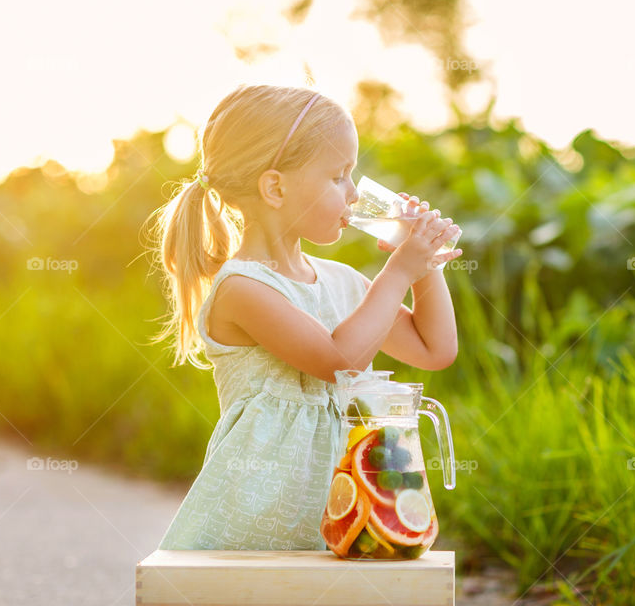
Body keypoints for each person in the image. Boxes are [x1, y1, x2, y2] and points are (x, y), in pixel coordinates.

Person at [148, 84, 462, 550]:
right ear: (274, 187)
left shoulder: (344, 283)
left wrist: (423, 264)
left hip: (342, 507)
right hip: (253, 521)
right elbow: (340, 361)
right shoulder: (243, 288)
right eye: (338, 177)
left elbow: (435, 349)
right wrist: (398, 272)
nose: (354, 194)